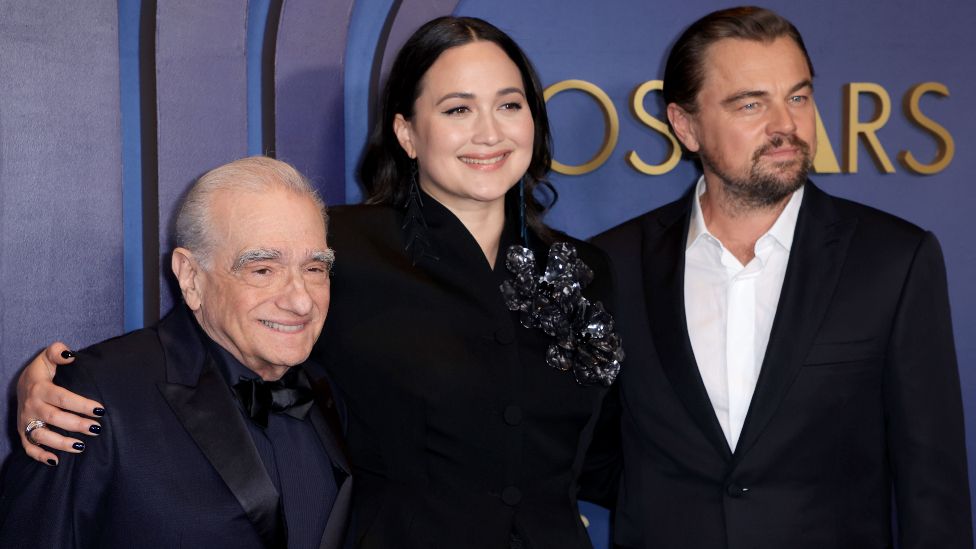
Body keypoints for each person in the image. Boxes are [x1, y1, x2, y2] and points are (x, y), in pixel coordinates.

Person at [10, 17, 622, 549]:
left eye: (510, 105)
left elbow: (614, 448)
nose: (490, 132)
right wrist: (59, 386)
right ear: (408, 133)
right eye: (458, 108)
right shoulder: (336, 248)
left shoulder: (586, 270)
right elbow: (206, 347)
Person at [591, 6, 972, 548]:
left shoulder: (894, 260)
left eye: (797, 97)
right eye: (751, 104)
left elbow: (932, 486)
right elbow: (587, 448)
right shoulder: (613, 264)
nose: (786, 126)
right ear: (685, 125)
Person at [0, 157, 352, 548]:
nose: (301, 302)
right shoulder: (91, 396)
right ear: (190, 276)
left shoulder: (327, 388)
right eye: (263, 270)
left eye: (315, 269)